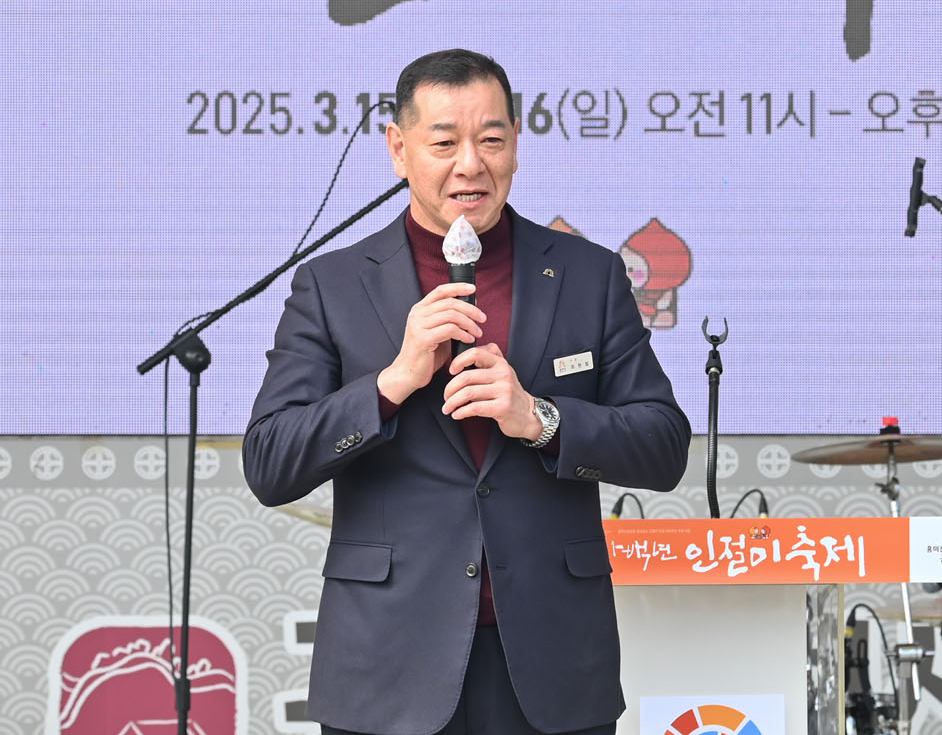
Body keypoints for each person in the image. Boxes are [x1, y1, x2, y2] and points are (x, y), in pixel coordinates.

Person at [244, 48, 692, 735]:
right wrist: (391, 383)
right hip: (387, 666)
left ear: (516, 143)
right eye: (444, 143)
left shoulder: (589, 275)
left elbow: (662, 446)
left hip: (552, 664)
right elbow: (271, 462)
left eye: (491, 140)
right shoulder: (332, 285)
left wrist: (539, 419)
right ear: (399, 150)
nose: (471, 165)